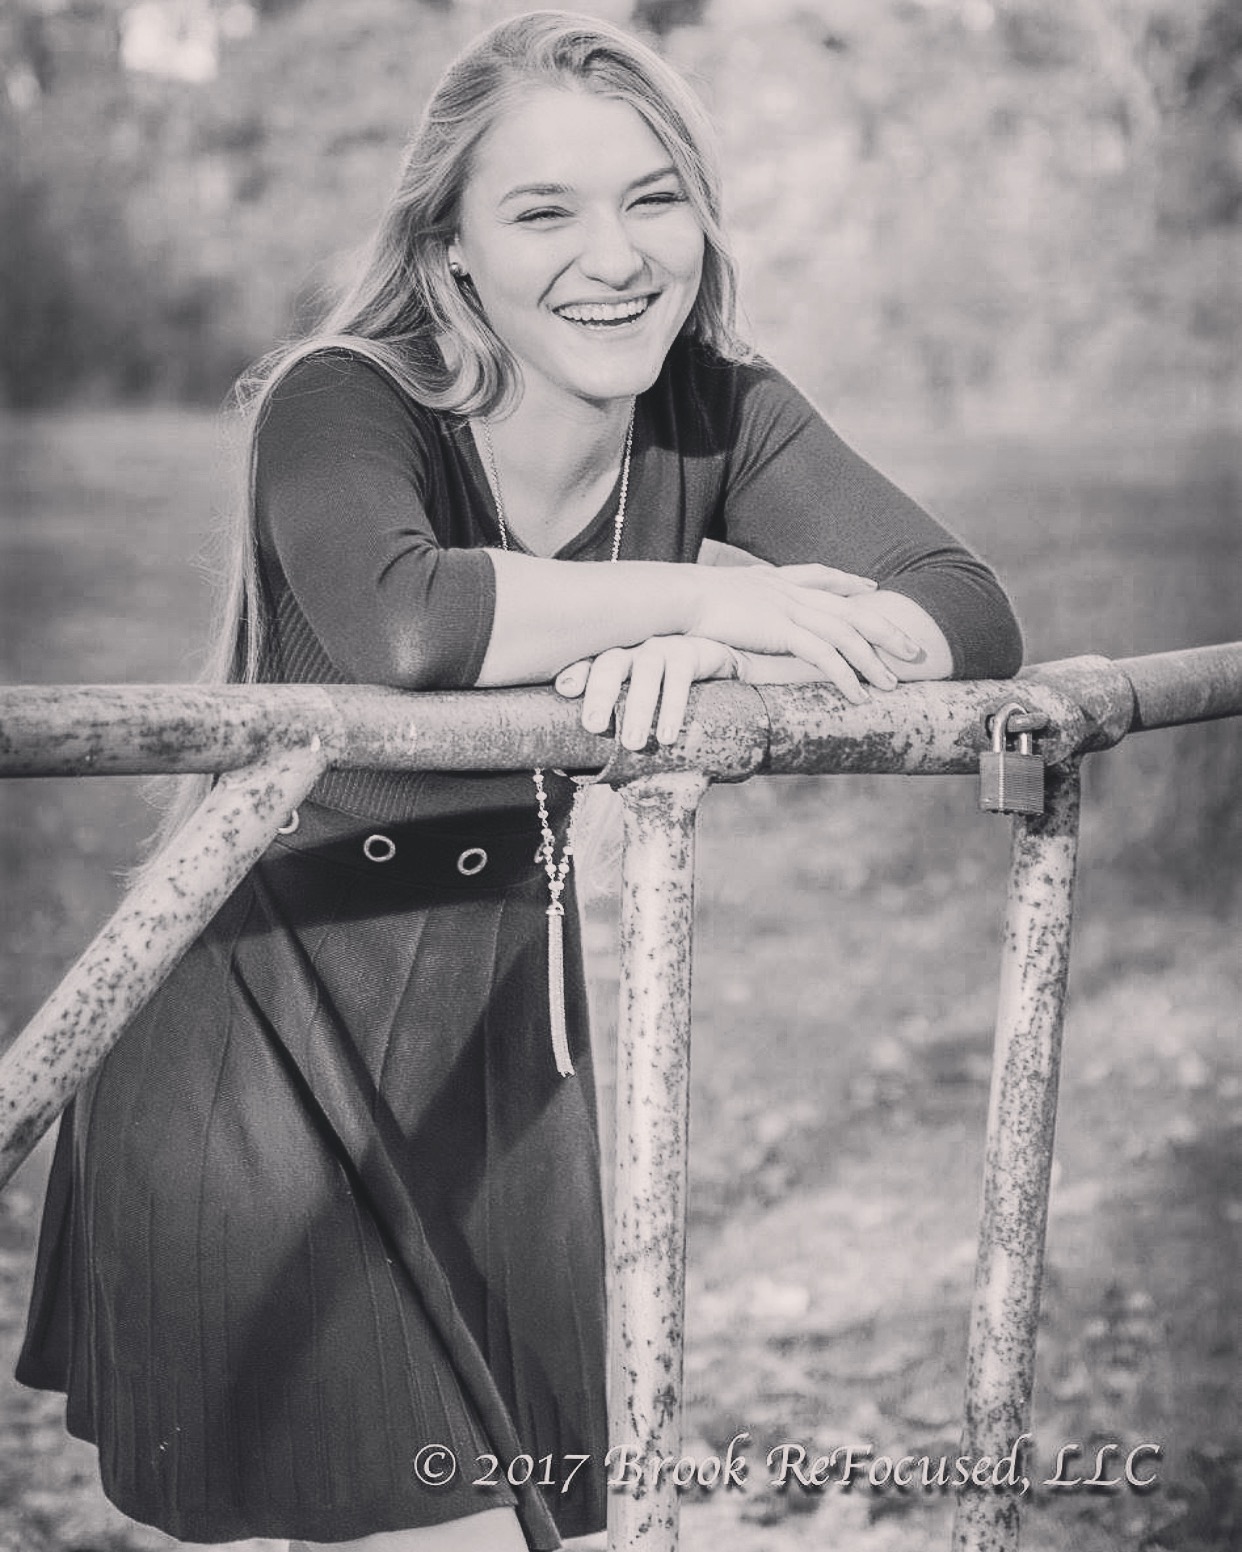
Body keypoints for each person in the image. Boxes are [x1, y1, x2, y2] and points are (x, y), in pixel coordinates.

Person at [16, 10, 1023, 1552]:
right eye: (544, 211)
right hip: (262, 1040)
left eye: (651, 198)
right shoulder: (341, 399)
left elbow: (964, 609)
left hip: (500, 1052)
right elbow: (408, 623)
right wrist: (706, 603)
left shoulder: (712, 407)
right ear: (452, 255)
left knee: (524, 1522)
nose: (613, 257)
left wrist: (716, 660)